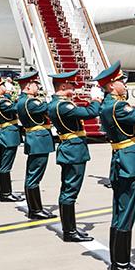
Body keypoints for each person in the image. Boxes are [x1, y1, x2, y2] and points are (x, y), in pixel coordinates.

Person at [95, 61, 135, 270]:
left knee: (119, 212)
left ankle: (118, 262)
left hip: (120, 159)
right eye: (120, 80)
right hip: (128, 162)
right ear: (112, 85)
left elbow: (132, 116)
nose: (124, 83)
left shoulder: (109, 105)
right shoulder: (118, 106)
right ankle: (121, 264)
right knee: (126, 214)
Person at [46, 70, 102, 242]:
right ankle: (69, 232)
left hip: (70, 149)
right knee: (70, 192)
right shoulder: (63, 105)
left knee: (68, 190)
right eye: (71, 85)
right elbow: (90, 113)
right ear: (63, 86)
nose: (74, 88)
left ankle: (70, 228)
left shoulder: (58, 103)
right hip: (73, 151)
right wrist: (95, 100)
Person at [16, 70, 56, 219]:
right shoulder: (30, 102)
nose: (37, 86)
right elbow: (48, 109)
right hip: (38, 140)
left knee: (32, 176)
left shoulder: (23, 100)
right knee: (34, 177)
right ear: (27, 87)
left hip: (35, 139)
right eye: (34, 84)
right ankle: (35, 210)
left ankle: (35, 208)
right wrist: (55, 97)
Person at [0, 76, 25, 203]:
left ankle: (4, 191)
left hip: (7, 133)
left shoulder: (0, 100)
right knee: (5, 166)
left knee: (3, 164)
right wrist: (23, 95)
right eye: (3, 85)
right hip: (9, 134)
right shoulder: (1, 102)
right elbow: (16, 108)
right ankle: (5, 193)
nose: (5, 87)